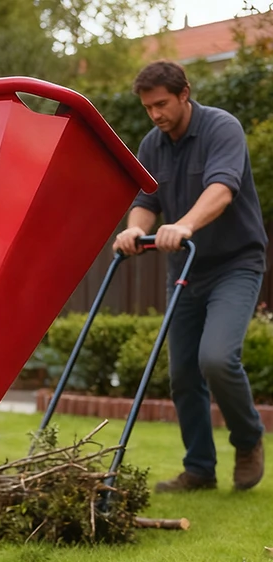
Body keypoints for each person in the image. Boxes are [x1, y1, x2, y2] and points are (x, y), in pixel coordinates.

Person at [113, 60, 267, 493]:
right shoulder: (152, 143)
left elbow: (221, 188)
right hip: (185, 270)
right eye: (148, 108)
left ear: (185, 94)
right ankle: (199, 469)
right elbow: (147, 197)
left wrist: (184, 225)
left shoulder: (222, 129)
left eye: (161, 104)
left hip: (235, 263)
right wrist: (134, 228)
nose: (155, 114)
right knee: (182, 372)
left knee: (216, 359)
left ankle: (248, 438)